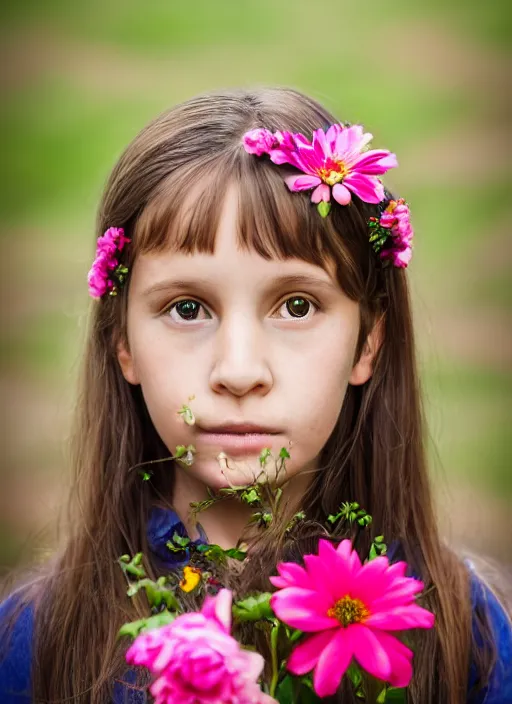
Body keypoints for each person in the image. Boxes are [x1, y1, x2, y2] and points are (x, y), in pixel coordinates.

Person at [0, 87, 510, 704]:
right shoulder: (36, 642)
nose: (239, 371)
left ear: (368, 341)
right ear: (123, 343)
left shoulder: (466, 635)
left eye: (296, 306)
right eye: (187, 308)